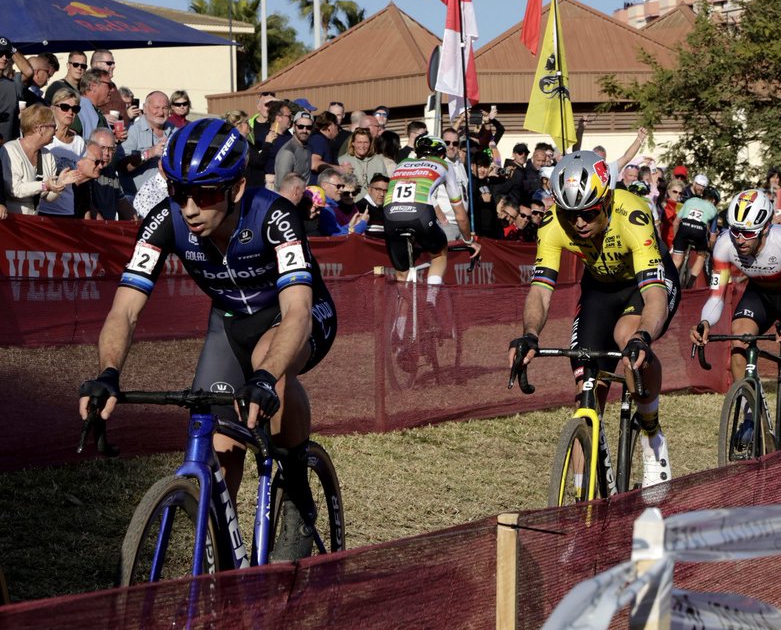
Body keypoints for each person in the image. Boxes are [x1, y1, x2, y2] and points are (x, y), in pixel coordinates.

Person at [77, 119, 337, 562]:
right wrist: (107, 372)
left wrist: (266, 373)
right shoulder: (165, 219)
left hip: (298, 314)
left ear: (236, 188)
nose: (191, 207)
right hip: (229, 322)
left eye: (207, 193)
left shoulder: (274, 215)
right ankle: (223, 562)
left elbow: (296, 311)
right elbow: (125, 308)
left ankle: (295, 492)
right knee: (219, 448)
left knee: (266, 368)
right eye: (179, 192)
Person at [507, 151, 680, 489]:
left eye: (587, 213)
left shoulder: (633, 215)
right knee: (586, 387)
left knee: (627, 336)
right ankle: (579, 494)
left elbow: (655, 295)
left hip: (644, 283)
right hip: (600, 288)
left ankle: (652, 434)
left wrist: (643, 336)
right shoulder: (554, 223)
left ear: (606, 200)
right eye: (571, 215)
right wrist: (529, 334)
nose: (579, 223)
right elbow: (541, 291)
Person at [691, 189, 781, 443]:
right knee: (739, 339)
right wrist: (705, 322)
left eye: (748, 233)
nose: (740, 240)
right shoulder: (725, 244)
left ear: (766, 228)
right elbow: (716, 297)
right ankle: (749, 418)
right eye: (735, 230)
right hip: (759, 294)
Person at [382, 134, 479, 282]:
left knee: (402, 274)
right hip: (420, 214)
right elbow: (460, 214)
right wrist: (469, 241)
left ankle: (402, 301)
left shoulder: (402, 163)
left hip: (390, 216)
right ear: (441, 155)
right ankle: (432, 300)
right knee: (439, 254)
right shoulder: (444, 165)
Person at [0, 105, 80, 214]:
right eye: (53, 126)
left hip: (34, 221)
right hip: (12, 221)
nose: (56, 129)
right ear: (40, 129)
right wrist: (45, 185)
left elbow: (48, 198)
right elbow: (14, 189)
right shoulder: (10, 150)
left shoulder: (48, 155)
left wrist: (60, 183)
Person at [670, 184, 720, 288]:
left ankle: (668, 283)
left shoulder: (690, 201)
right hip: (699, 232)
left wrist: (676, 238)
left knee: (676, 260)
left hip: (684, 228)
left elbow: (676, 223)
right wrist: (710, 247)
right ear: (714, 201)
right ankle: (690, 284)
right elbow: (712, 236)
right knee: (702, 255)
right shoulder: (714, 210)